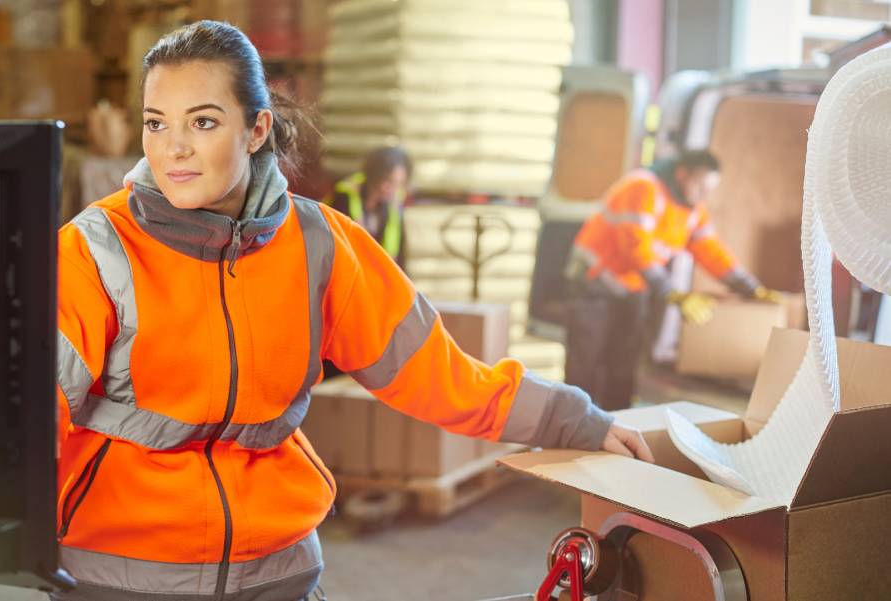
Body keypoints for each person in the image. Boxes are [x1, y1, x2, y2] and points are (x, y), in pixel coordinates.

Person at [55, 20, 652, 601]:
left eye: (203, 122)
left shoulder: (320, 245)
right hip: (121, 579)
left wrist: (575, 421)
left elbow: (437, 374)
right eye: (155, 124)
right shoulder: (96, 249)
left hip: (278, 573)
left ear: (257, 128)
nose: (174, 148)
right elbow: (31, 422)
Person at [564, 150, 781, 411]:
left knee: (624, 363)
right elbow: (635, 248)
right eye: (700, 186)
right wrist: (673, 294)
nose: (703, 195)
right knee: (584, 362)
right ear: (682, 174)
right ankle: (571, 428)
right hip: (594, 282)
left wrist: (750, 288)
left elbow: (711, 251)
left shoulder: (692, 211)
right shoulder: (642, 188)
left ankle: (615, 426)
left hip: (632, 287)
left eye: (709, 189)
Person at [324, 146, 411, 270]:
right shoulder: (344, 197)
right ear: (374, 175)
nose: (393, 189)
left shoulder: (394, 204)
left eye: (399, 184)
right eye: (388, 181)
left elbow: (400, 254)